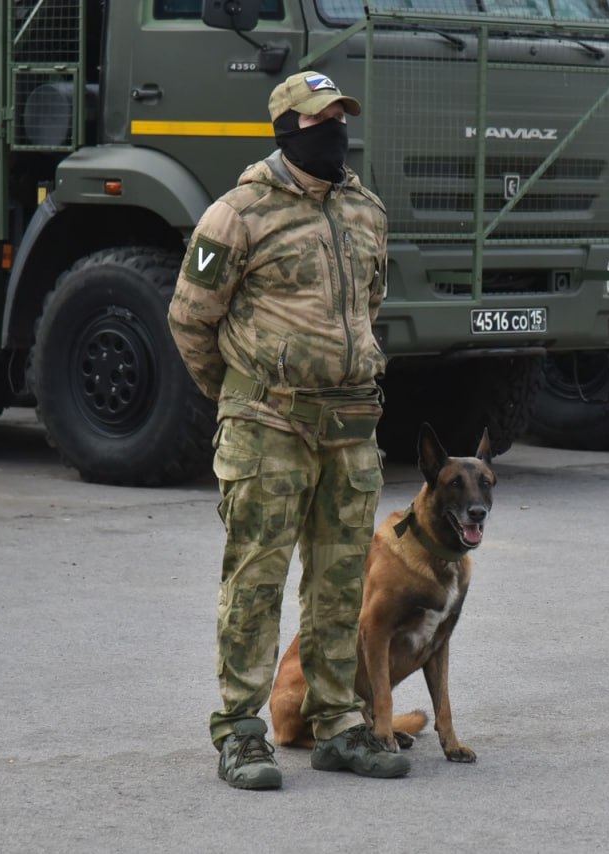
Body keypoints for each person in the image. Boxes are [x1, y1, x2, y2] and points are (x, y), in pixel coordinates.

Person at [168, 70, 408, 789]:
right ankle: (242, 732)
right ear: (285, 130)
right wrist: (239, 396)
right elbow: (190, 319)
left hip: (350, 424)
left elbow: (370, 301)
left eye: (340, 117)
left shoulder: (364, 210)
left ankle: (337, 724)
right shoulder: (234, 215)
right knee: (256, 581)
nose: (335, 130)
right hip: (268, 424)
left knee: (339, 584)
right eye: (318, 120)